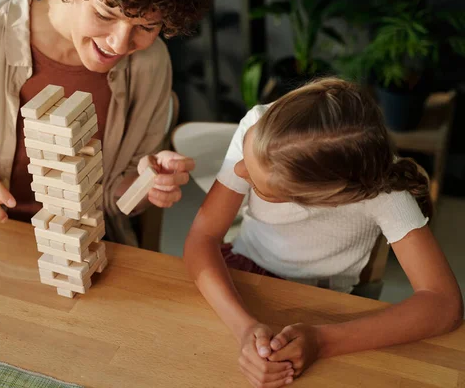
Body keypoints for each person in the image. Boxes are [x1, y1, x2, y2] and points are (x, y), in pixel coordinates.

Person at [184, 77, 463, 387]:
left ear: (320, 201)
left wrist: (322, 341)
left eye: (256, 186)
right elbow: (202, 238)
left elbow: (445, 304)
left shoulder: (384, 192)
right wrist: (244, 327)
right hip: (240, 277)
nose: (238, 172)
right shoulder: (259, 128)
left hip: (324, 305)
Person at [0, 0, 214, 245]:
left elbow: (116, 194)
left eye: (146, 27)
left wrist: (148, 184)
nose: (119, 43)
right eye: (105, 15)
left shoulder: (150, 62)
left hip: (86, 242)